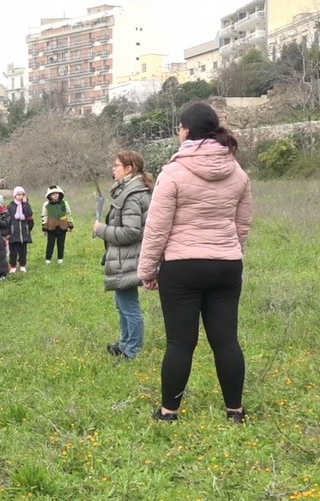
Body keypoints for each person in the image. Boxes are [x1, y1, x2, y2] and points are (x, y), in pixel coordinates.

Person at [137, 102, 252, 424]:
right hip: (227, 265)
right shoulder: (238, 173)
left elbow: (157, 227)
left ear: (186, 131)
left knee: (180, 342)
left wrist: (147, 270)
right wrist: (230, 251)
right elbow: (242, 224)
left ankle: (169, 412)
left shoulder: (173, 172)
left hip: (182, 267)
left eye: (179, 128)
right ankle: (235, 411)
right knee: (226, 340)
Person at [93, 151, 154, 360]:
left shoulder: (132, 194)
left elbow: (131, 232)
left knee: (129, 305)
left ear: (129, 168)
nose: (113, 168)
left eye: (117, 165)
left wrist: (101, 229)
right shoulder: (129, 190)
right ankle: (125, 342)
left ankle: (132, 350)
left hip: (129, 256)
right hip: (124, 256)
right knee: (123, 303)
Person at [41, 185, 73, 264]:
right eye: (53, 194)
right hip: (51, 228)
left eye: (56, 193)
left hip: (62, 227)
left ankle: (60, 258)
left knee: (61, 243)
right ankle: (48, 258)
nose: (55, 195)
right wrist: (44, 226)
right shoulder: (46, 205)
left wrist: (70, 223)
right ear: (49, 196)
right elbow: (44, 216)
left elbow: (68, 214)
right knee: (50, 243)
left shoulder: (65, 203)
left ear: (60, 194)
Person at [7, 186, 34, 273]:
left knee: (23, 251)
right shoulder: (10, 206)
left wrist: (27, 229)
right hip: (14, 233)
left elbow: (29, 214)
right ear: (15, 195)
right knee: (13, 251)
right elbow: (8, 220)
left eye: (23, 194)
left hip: (24, 233)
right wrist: (9, 231)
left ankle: (22, 265)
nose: (21, 196)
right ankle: (13, 265)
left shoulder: (26, 205)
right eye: (19, 194)